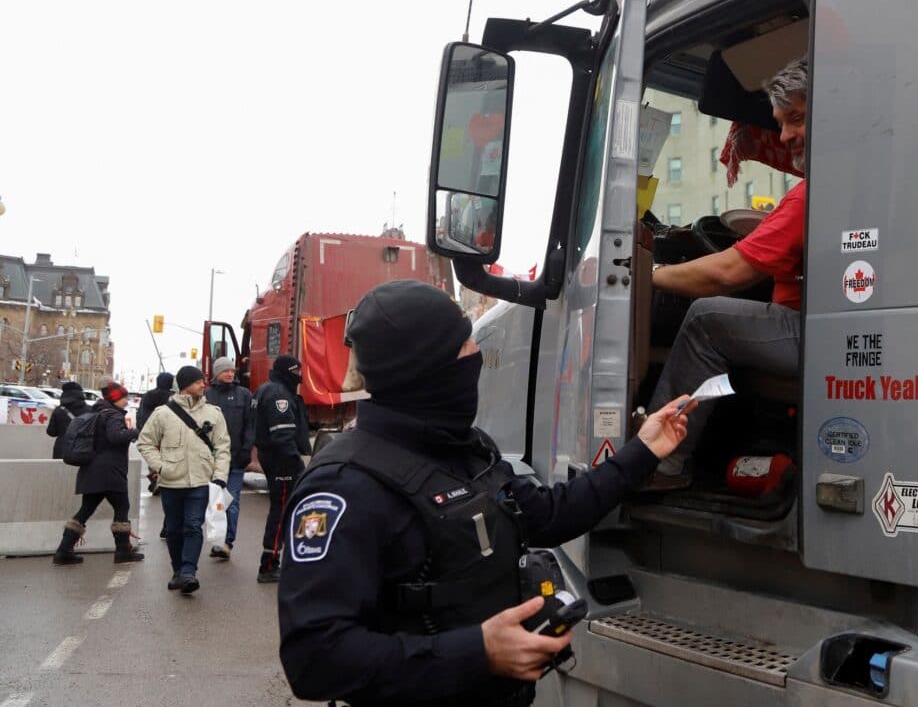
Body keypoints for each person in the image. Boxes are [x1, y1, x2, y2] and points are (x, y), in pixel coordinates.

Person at [277, 280, 694, 706]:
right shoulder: (345, 486)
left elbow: (549, 515)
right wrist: (477, 652)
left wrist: (643, 450)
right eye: (464, 346)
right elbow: (314, 659)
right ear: (425, 368)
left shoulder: (467, 449)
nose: (476, 355)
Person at [644, 56, 808, 490]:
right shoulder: (835, 185)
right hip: (821, 325)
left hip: (812, 332)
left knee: (705, 319)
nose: (787, 135)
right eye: (782, 123)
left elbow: (728, 273)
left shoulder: (814, 192)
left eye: (797, 119)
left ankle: (661, 465)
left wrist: (647, 276)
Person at [137, 365, 230, 594]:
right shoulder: (163, 413)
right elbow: (145, 442)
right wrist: (160, 467)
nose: (203, 384)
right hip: (171, 482)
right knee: (174, 529)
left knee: (192, 526)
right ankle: (177, 570)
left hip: (200, 481)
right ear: (185, 384)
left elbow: (223, 447)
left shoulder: (214, 413)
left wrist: (219, 477)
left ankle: (189, 572)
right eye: (198, 381)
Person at [52, 382, 144, 565]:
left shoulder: (99, 413)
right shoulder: (113, 415)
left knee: (86, 510)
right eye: (124, 397)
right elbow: (115, 437)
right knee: (122, 507)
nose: (126, 401)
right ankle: (122, 551)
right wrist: (134, 432)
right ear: (115, 399)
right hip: (110, 472)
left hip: (93, 470)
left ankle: (63, 551)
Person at [252, 354, 310, 583]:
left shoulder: (265, 390)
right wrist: (296, 463)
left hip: (272, 457)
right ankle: (268, 565)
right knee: (283, 510)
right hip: (281, 460)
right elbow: (282, 434)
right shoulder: (278, 394)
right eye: (297, 372)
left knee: (282, 509)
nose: (299, 377)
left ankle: (277, 560)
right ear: (288, 371)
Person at [204, 356, 254, 560]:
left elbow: (251, 425)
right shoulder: (206, 395)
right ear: (217, 373)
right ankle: (217, 540)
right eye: (226, 370)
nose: (230, 373)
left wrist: (246, 450)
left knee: (232, 502)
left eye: (232, 371)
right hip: (211, 461)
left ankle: (227, 543)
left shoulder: (244, 395)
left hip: (235, 459)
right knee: (215, 502)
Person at [46, 381, 89, 459]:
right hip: (83, 449)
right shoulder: (90, 410)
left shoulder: (59, 410)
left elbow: (51, 432)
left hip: (62, 449)